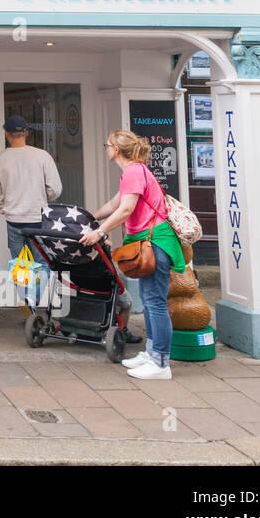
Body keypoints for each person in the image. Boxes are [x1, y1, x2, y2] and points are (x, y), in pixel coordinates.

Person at [80, 130, 185, 380]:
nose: (106, 148)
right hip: (150, 242)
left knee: (156, 303)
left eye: (107, 145)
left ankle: (161, 363)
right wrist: (89, 218)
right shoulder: (132, 172)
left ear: (116, 150)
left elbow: (126, 210)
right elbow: (115, 204)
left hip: (155, 242)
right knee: (150, 302)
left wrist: (99, 232)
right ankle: (151, 354)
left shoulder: (134, 172)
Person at [0, 115, 62, 308]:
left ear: (6, 134)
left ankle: (28, 302)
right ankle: (33, 298)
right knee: (43, 261)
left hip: (13, 220)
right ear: (26, 133)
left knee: (20, 264)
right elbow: (55, 189)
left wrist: (6, 210)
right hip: (38, 218)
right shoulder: (42, 156)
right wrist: (42, 197)